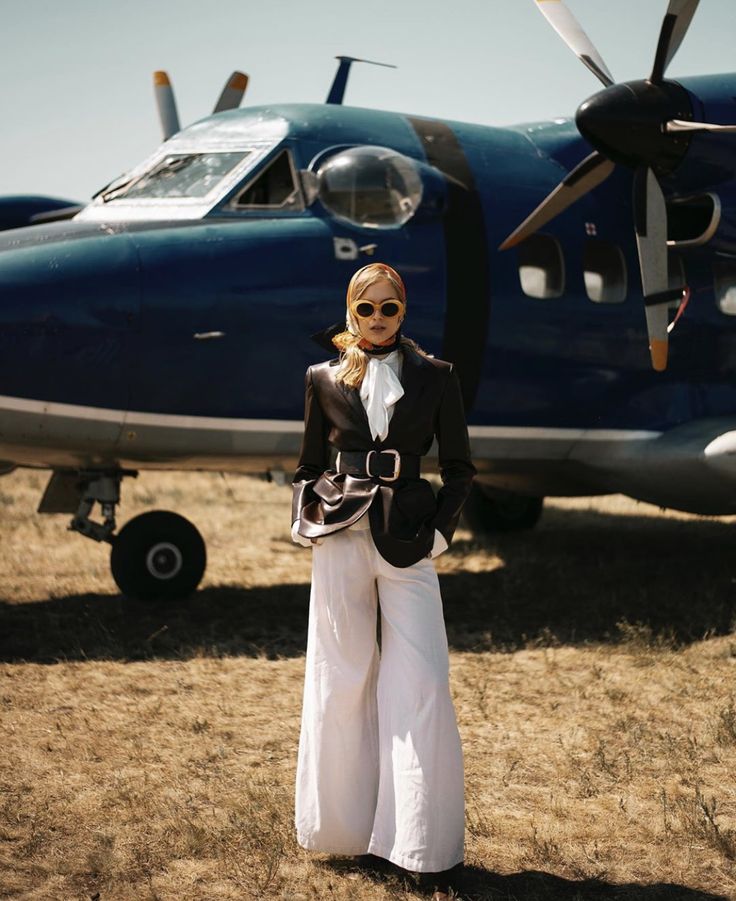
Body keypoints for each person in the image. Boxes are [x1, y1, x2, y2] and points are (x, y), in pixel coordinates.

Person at [291, 262, 476, 900]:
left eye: (388, 309)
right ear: (351, 311)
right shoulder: (320, 377)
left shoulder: (436, 377)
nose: (377, 320)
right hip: (340, 538)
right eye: (365, 309)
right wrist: (306, 519)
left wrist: (442, 534)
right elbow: (308, 464)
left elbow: (460, 468)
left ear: (403, 312)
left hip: (410, 538)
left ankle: (421, 845)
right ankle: (342, 833)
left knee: (422, 681)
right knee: (340, 677)